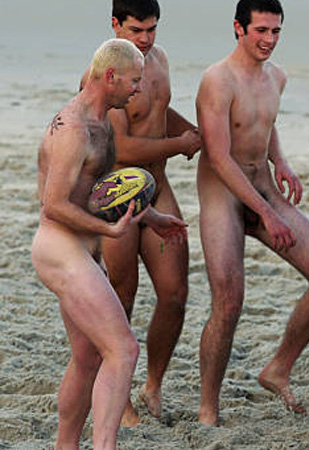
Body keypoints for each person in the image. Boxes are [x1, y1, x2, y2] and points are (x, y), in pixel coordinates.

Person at [31, 38, 187, 450]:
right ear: (111, 77)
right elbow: (53, 206)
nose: (139, 89)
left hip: (78, 250)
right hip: (59, 248)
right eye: (134, 81)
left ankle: (66, 445)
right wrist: (111, 232)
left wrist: (152, 218)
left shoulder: (103, 121)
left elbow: (102, 189)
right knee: (123, 348)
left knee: (89, 357)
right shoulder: (75, 129)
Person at [194, 0, 309, 424]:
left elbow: (264, 123)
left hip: (262, 183)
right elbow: (219, 156)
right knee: (228, 302)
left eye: (276, 31)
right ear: (238, 28)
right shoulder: (217, 80)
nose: (269, 39)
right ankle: (208, 407)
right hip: (223, 194)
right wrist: (266, 213)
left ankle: (278, 368)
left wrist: (282, 162)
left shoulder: (277, 76)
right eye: (261, 30)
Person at [87, 0, 202, 425]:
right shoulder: (106, 73)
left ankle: (152, 385)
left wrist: (191, 132)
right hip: (115, 193)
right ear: (115, 24)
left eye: (152, 29)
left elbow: (157, 111)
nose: (146, 39)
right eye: (136, 30)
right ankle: (119, 397)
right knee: (122, 295)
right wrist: (179, 145)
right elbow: (122, 146)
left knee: (174, 294)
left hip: (158, 186)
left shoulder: (159, 59)